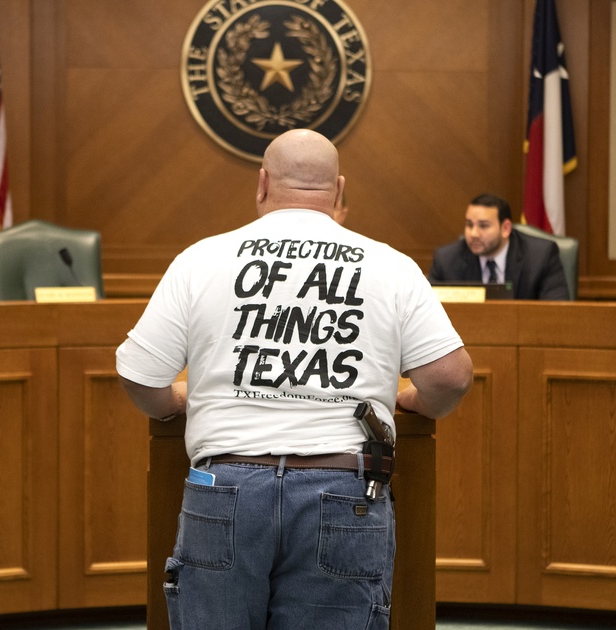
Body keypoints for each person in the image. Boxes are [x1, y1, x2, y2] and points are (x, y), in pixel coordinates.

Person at [116, 129, 473, 629]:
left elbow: (138, 374)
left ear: (262, 184)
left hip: (224, 488)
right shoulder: (391, 266)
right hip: (345, 492)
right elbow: (451, 377)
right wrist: (413, 402)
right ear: (339, 191)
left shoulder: (201, 259)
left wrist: (172, 402)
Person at [427, 193, 569, 300]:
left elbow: (557, 312)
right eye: (469, 225)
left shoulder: (541, 256)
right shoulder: (446, 260)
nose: (473, 233)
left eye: (483, 226)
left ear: (505, 228)